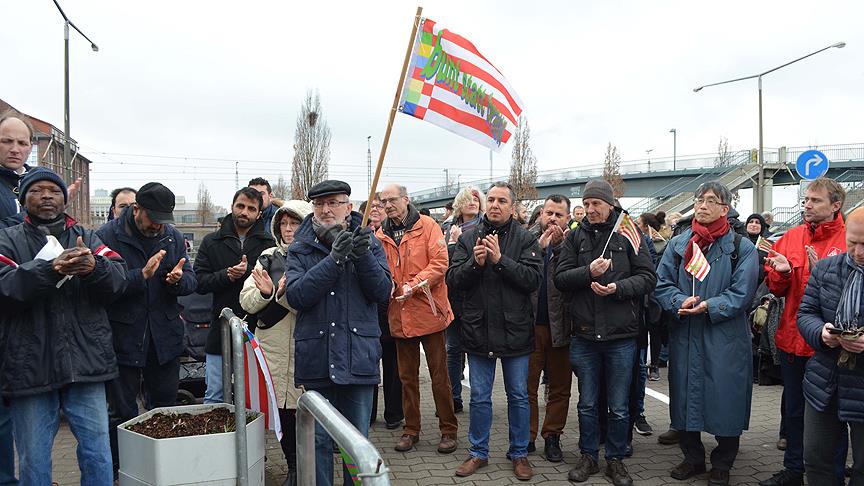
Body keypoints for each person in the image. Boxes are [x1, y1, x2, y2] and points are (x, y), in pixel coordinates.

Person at [0, 167, 127, 484]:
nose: (46, 196)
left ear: (64, 199)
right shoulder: (7, 239)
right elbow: (5, 288)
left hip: (86, 364)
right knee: (33, 460)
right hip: (30, 367)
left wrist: (94, 267)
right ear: (23, 199)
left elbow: (118, 279)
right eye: (36, 190)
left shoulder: (88, 237)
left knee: (98, 453)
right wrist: (50, 269)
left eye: (54, 191)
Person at [285, 180, 391, 486]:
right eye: (320, 204)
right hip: (317, 358)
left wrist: (362, 256)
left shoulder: (369, 242)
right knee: (317, 442)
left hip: (358, 357)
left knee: (355, 443)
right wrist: (333, 261)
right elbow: (297, 295)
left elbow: (382, 292)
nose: (326, 209)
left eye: (333, 202)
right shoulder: (301, 246)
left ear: (348, 206)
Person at [655, 181, 758, 486]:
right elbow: (662, 284)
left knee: (726, 399)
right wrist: (678, 300)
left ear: (725, 208)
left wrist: (710, 305)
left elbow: (743, 293)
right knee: (684, 397)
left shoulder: (741, 247)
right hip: (686, 334)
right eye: (699, 199)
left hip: (724, 336)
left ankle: (723, 462)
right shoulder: (679, 244)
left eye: (711, 200)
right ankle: (692, 458)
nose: (702, 205)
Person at [553, 179, 656, 486]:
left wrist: (617, 288)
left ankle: (615, 459)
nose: (590, 209)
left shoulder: (628, 233)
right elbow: (560, 278)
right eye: (586, 204)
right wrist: (588, 272)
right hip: (584, 334)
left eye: (596, 203)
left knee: (619, 406)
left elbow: (648, 277)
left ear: (610, 205)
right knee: (587, 403)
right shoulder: (575, 236)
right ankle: (588, 456)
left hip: (620, 336)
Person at [97, 182, 196, 477]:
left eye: (163, 220)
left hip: (164, 339)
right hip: (123, 339)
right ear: (136, 209)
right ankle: (122, 470)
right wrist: (139, 276)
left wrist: (177, 281)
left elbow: (191, 281)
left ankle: (164, 470)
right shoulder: (107, 236)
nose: (157, 226)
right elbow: (100, 286)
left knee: (165, 409)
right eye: (153, 219)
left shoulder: (172, 236)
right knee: (121, 413)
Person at [447, 182, 541, 481]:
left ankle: (519, 453)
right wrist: (474, 265)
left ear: (512, 207)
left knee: (519, 396)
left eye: (502, 200)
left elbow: (533, 280)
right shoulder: (468, 237)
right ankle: (478, 452)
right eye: (491, 199)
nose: (495, 205)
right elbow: (453, 280)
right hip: (478, 329)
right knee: (479, 397)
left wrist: (501, 261)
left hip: (515, 330)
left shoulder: (526, 238)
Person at [761, 177, 848, 486]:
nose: (807, 205)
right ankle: (793, 470)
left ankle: (831, 475)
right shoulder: (791, 237)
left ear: (836, 205)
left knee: (831, 416)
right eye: (805, 200)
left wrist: (824, 271)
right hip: (793, 340)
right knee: (795, 412)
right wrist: (782, 274)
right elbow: (775, 287)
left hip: (831, 346)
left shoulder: (849, 240)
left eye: (815, 200)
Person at [376, 184, 458, 454]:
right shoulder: (380, 234)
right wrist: (387, 284)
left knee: (439, 376)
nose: (388, 205)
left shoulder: (428, 226)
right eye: (383, 201)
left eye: (392, 200)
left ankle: (448, 429)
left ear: (406, 199)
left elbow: (440, 262)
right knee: (406, 377)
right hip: (399, 315)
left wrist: (414, 285)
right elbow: (379, 269)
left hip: (429, 312)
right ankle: (411, 429)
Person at [240, 199, 312, 486]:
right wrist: (266, 293)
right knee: (282, 411)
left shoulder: (317, 256)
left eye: (295, 223)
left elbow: (313, 302)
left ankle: (310, 466)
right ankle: (293, 467)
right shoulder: (268, 257)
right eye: (283, 223)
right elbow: (246, 300)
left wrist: (281, 295)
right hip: (272, 346)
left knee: (306, 409)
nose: (288, 229)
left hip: (305, 345)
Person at [797, 207, 864, 486]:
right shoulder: (826, 268)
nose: (858, 252)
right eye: (852, 242)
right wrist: (821, 333)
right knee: (815, 459)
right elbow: (806, 313)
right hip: (825, 380)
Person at [193, 187, 275, 403]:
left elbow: (274, 286)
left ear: (259, 213)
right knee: (214, 396)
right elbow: (198, 282)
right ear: (232, 206)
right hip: (219, 330)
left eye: (251, 208)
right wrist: (226, 275)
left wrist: (248, 273)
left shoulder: (269, 245)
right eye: (240, 206)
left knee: (253, 398)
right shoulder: (212, 242)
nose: (244, 212)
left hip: (256, 332)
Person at [527, 195, 573, 463]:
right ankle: (527, 435)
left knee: (559, 387)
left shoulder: (573, 244)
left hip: (562, 327)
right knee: (526, 386)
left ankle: (552, 436)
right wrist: (540, 249)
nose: (553, 219)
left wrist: (559, 249)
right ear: (541, 214)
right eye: (549, 213)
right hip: (530, 327)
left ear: (567, 218)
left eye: (559, 214)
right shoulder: (527, 240)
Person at [362, 197, 404, 430]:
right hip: (369, 308)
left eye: (380, 206)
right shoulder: (361, 236)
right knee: (369, 363)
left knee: (392, 362)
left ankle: (394, 413)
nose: (376, 210)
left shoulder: (392, 235)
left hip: (391, 305)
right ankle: (368, 413)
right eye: (372, 207)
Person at [442, 186, 485, 414]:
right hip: (453, 297)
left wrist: (458, 243)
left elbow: (477, 263)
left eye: (476, 199)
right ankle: (453, 398)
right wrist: (451, 243)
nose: (473, 202)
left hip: (477, 297)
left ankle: (480, 400)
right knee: (453, 349)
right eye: (468, 199)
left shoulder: (485, 227)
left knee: (477, 349)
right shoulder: (447, 227)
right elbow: (445, 265)